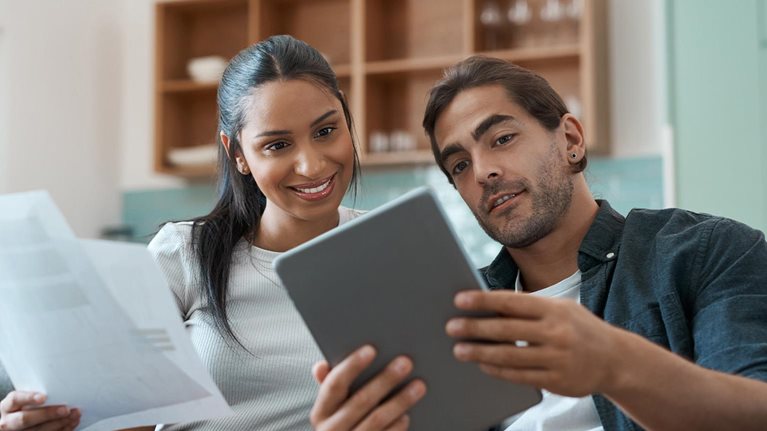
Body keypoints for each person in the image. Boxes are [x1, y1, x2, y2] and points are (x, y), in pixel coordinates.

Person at [310, 56, 767, 430]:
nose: (484, 171)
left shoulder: (706, 251)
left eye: (502, 138)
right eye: (459, 166)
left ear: (570, 138)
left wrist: (615, 365)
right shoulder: (456, 318)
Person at [0, 35, 424, 431]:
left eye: (326, 131)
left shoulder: (395, 246)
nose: (312, 166)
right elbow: (125, 417)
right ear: (237, 153)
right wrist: (59, 417)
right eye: (277, 145)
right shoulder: (184, 253)